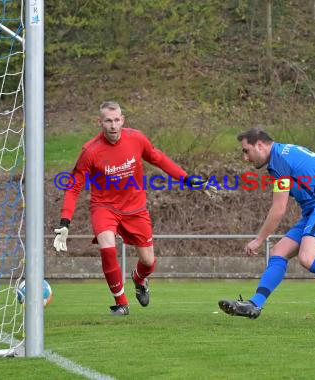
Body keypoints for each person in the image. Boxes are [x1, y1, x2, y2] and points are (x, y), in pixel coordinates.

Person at [53, 101, 204, 316]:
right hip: (104, 207)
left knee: (148, 261)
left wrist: (186, 178)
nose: (113, 125)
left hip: (136, 208)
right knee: (107, 246)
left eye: (116, 120)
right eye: (108, 121)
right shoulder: (90, 151)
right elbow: (74, 186)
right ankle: (121, 303)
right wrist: (65, 222)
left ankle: (139, 279)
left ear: (122, 120)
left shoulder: (136, 138)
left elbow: (157, 158)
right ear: (100, 122)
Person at [219, 127, 315, 327]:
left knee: (307, 257)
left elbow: (279, 208)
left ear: (259, 145)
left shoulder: (279, 162)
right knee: (278, 252)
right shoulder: (287, 150)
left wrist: (259, 240)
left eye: (246, 151)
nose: (245, 158)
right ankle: (254, 305)